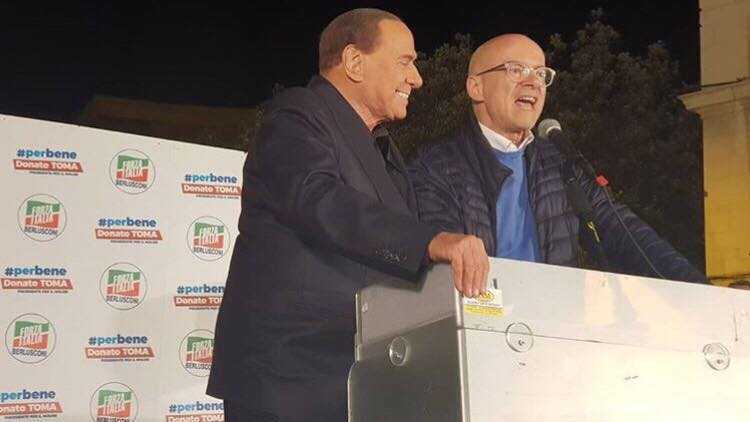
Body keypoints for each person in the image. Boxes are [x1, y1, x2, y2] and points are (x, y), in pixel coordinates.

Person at [207, 9, 489, 422]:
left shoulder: (384, 148)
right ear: (355, 62)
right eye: (405, 61)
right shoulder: (296, 115)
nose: (416, 79)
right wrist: (428, 241)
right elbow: (319, 198)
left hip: (357, 376)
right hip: (291, 381)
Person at [409, 34, 705, 283]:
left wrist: (700, 289)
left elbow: (627, 235)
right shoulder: (434, 166)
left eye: (541, 74)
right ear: (476, 87)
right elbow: (435, 251)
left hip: (555, 322)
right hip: (482, 322)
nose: (533, 82)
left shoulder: (562, 163)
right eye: (516, 69)